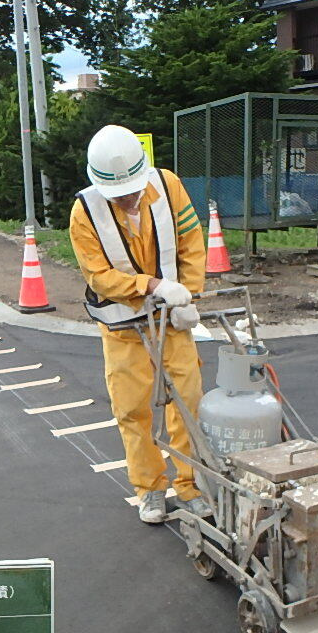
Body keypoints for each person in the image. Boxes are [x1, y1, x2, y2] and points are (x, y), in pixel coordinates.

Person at [69, 124, 212, 524]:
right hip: (122, 328)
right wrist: (151, 285)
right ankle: (150, 489)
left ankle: (191, 486)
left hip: (172, 320)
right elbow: (98, 276)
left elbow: (190, 241)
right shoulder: (84, 212)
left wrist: (188, 294)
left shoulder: (168, 186)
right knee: (132, 409)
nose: (129, 200)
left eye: (132, 190)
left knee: (187, 401)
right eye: (120, 196)